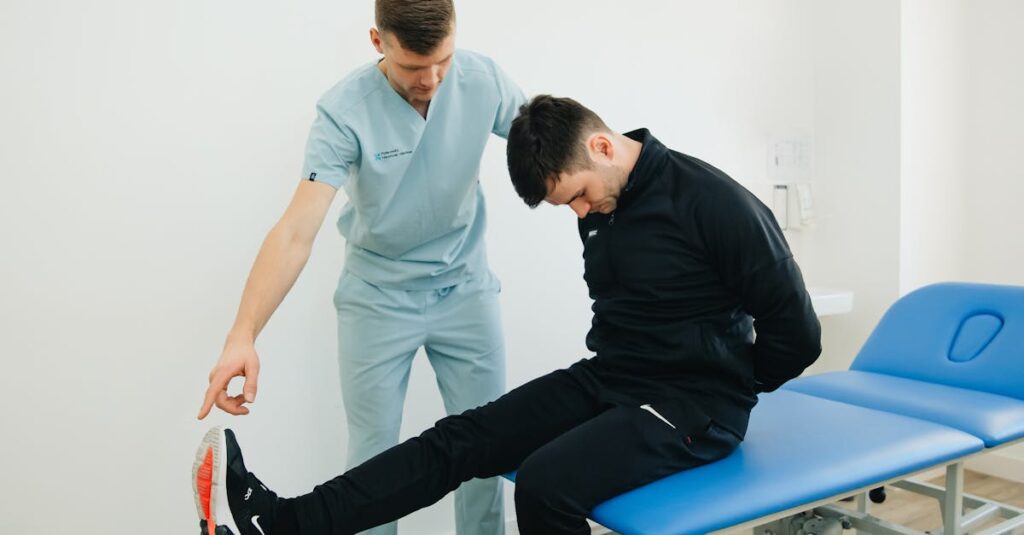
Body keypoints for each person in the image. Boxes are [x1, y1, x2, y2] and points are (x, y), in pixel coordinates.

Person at [192, 95, 822, 535]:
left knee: (545, 483)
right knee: (459, 439)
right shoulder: (605, 204)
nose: (579, 213)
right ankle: (281, 523)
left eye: (577, 196)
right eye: (566, 206)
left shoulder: (717, 204)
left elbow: (798, 335)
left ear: (604, 146)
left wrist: (721, 385)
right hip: (615, 376)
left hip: (694, 403)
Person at [194, 1, 526, 534]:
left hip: (465, 289)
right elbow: (295, 232)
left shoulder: (482, 79)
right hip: (378, 300)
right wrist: (243, 333)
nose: (431, 80)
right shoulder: (344, 111)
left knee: (490, 449)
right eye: (413, 67)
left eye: (442, 61)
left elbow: (556, 139)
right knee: (373, 465)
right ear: (378, 42)